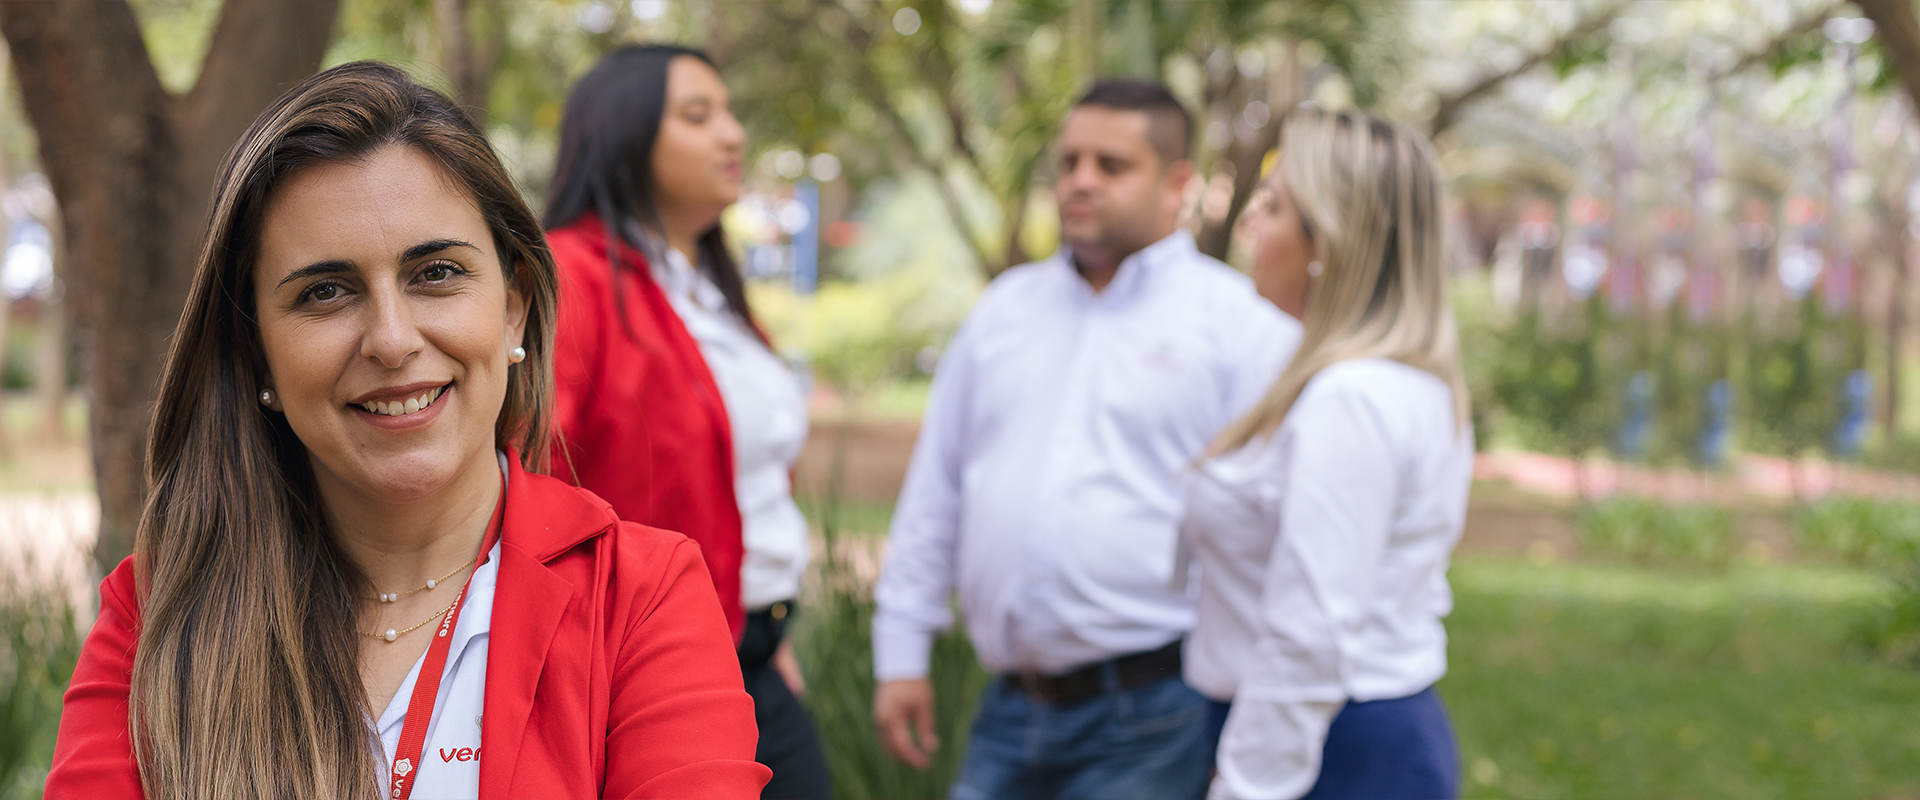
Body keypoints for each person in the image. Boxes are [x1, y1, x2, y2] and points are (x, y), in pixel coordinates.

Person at [43, 62, 767, 800]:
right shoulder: (159, 611)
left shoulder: (639, 597)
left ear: (514, 307)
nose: (392, 341)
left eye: (437, 274)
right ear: (255, 347)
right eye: (326, 292)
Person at [871, 79, 1301, 800]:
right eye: (1068, 162)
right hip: (1008, 707)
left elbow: (1270, 538)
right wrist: (900, 653)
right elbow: (938, 491)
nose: (1079, 181)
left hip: (1154, 713)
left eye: (1111, 165)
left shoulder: (1240, 328)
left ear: (1178, 183)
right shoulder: (1004, 312)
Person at [544, 45, 831, 799]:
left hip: (753, 650)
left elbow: (747, 474)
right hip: (638, 664)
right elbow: (531, 472)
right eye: (698, 116)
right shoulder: (570, 274)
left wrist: (765, 630)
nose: (733, 135)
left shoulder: (710, 289)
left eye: (730, 113)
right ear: (624, 133)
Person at [1182, 106, 1474, 799]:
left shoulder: (1354, 397)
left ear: (1328, 241)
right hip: (1325, 735)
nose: (1249, 221)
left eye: (1273, 206)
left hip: (1325, 753)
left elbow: (1310, 632)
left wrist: (1245, 788)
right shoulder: (1383, 379)